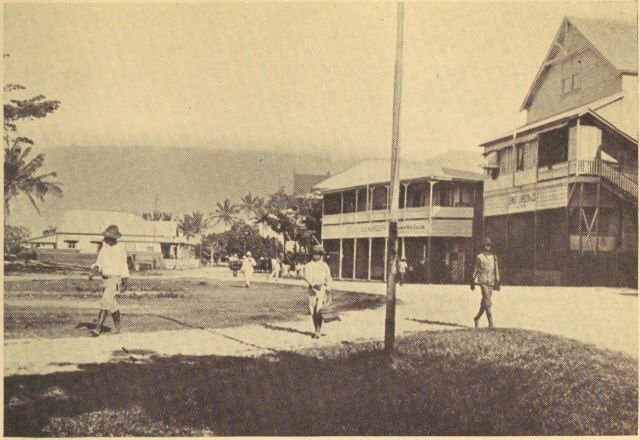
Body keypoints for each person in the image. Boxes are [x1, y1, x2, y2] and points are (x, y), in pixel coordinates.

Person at [89, 224, 130, 336]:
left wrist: (125, 282)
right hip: (105, 280)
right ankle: (118, 327)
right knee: (112, 305)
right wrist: (94, 271)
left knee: (105, 300)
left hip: (115, 279)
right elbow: (99, 263)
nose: (104, 239)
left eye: (107, 237)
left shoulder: (121, 249)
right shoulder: (104, 249)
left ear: (113, 238)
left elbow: (124, 265)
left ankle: (98, 328)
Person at [303, 245, 333, 339]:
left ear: (321, 255)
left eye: (318, 254)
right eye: (314, 253)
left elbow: (328, 277)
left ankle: (318, 330)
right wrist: (312, 284)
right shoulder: (308, 265)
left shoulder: (324, 265)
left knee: (319, 310)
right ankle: (316, 328)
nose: (316, 256)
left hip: (322, 289)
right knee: (312, 310)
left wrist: (328, 286)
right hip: (312, 290)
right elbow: (306, 276)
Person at [470, 237, 500, 328]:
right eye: (486, 245)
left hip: (491, 281)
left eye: (489, 245)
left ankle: (477, 318)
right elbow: (476, 269)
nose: (488, 247)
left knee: (485, 302)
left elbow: (496, 269)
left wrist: (497, 281)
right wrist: (472, 281)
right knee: (487, 300)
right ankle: (491, 323)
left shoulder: (494, 257)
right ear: (483, 246)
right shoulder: (479, 257)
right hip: (482, 281)